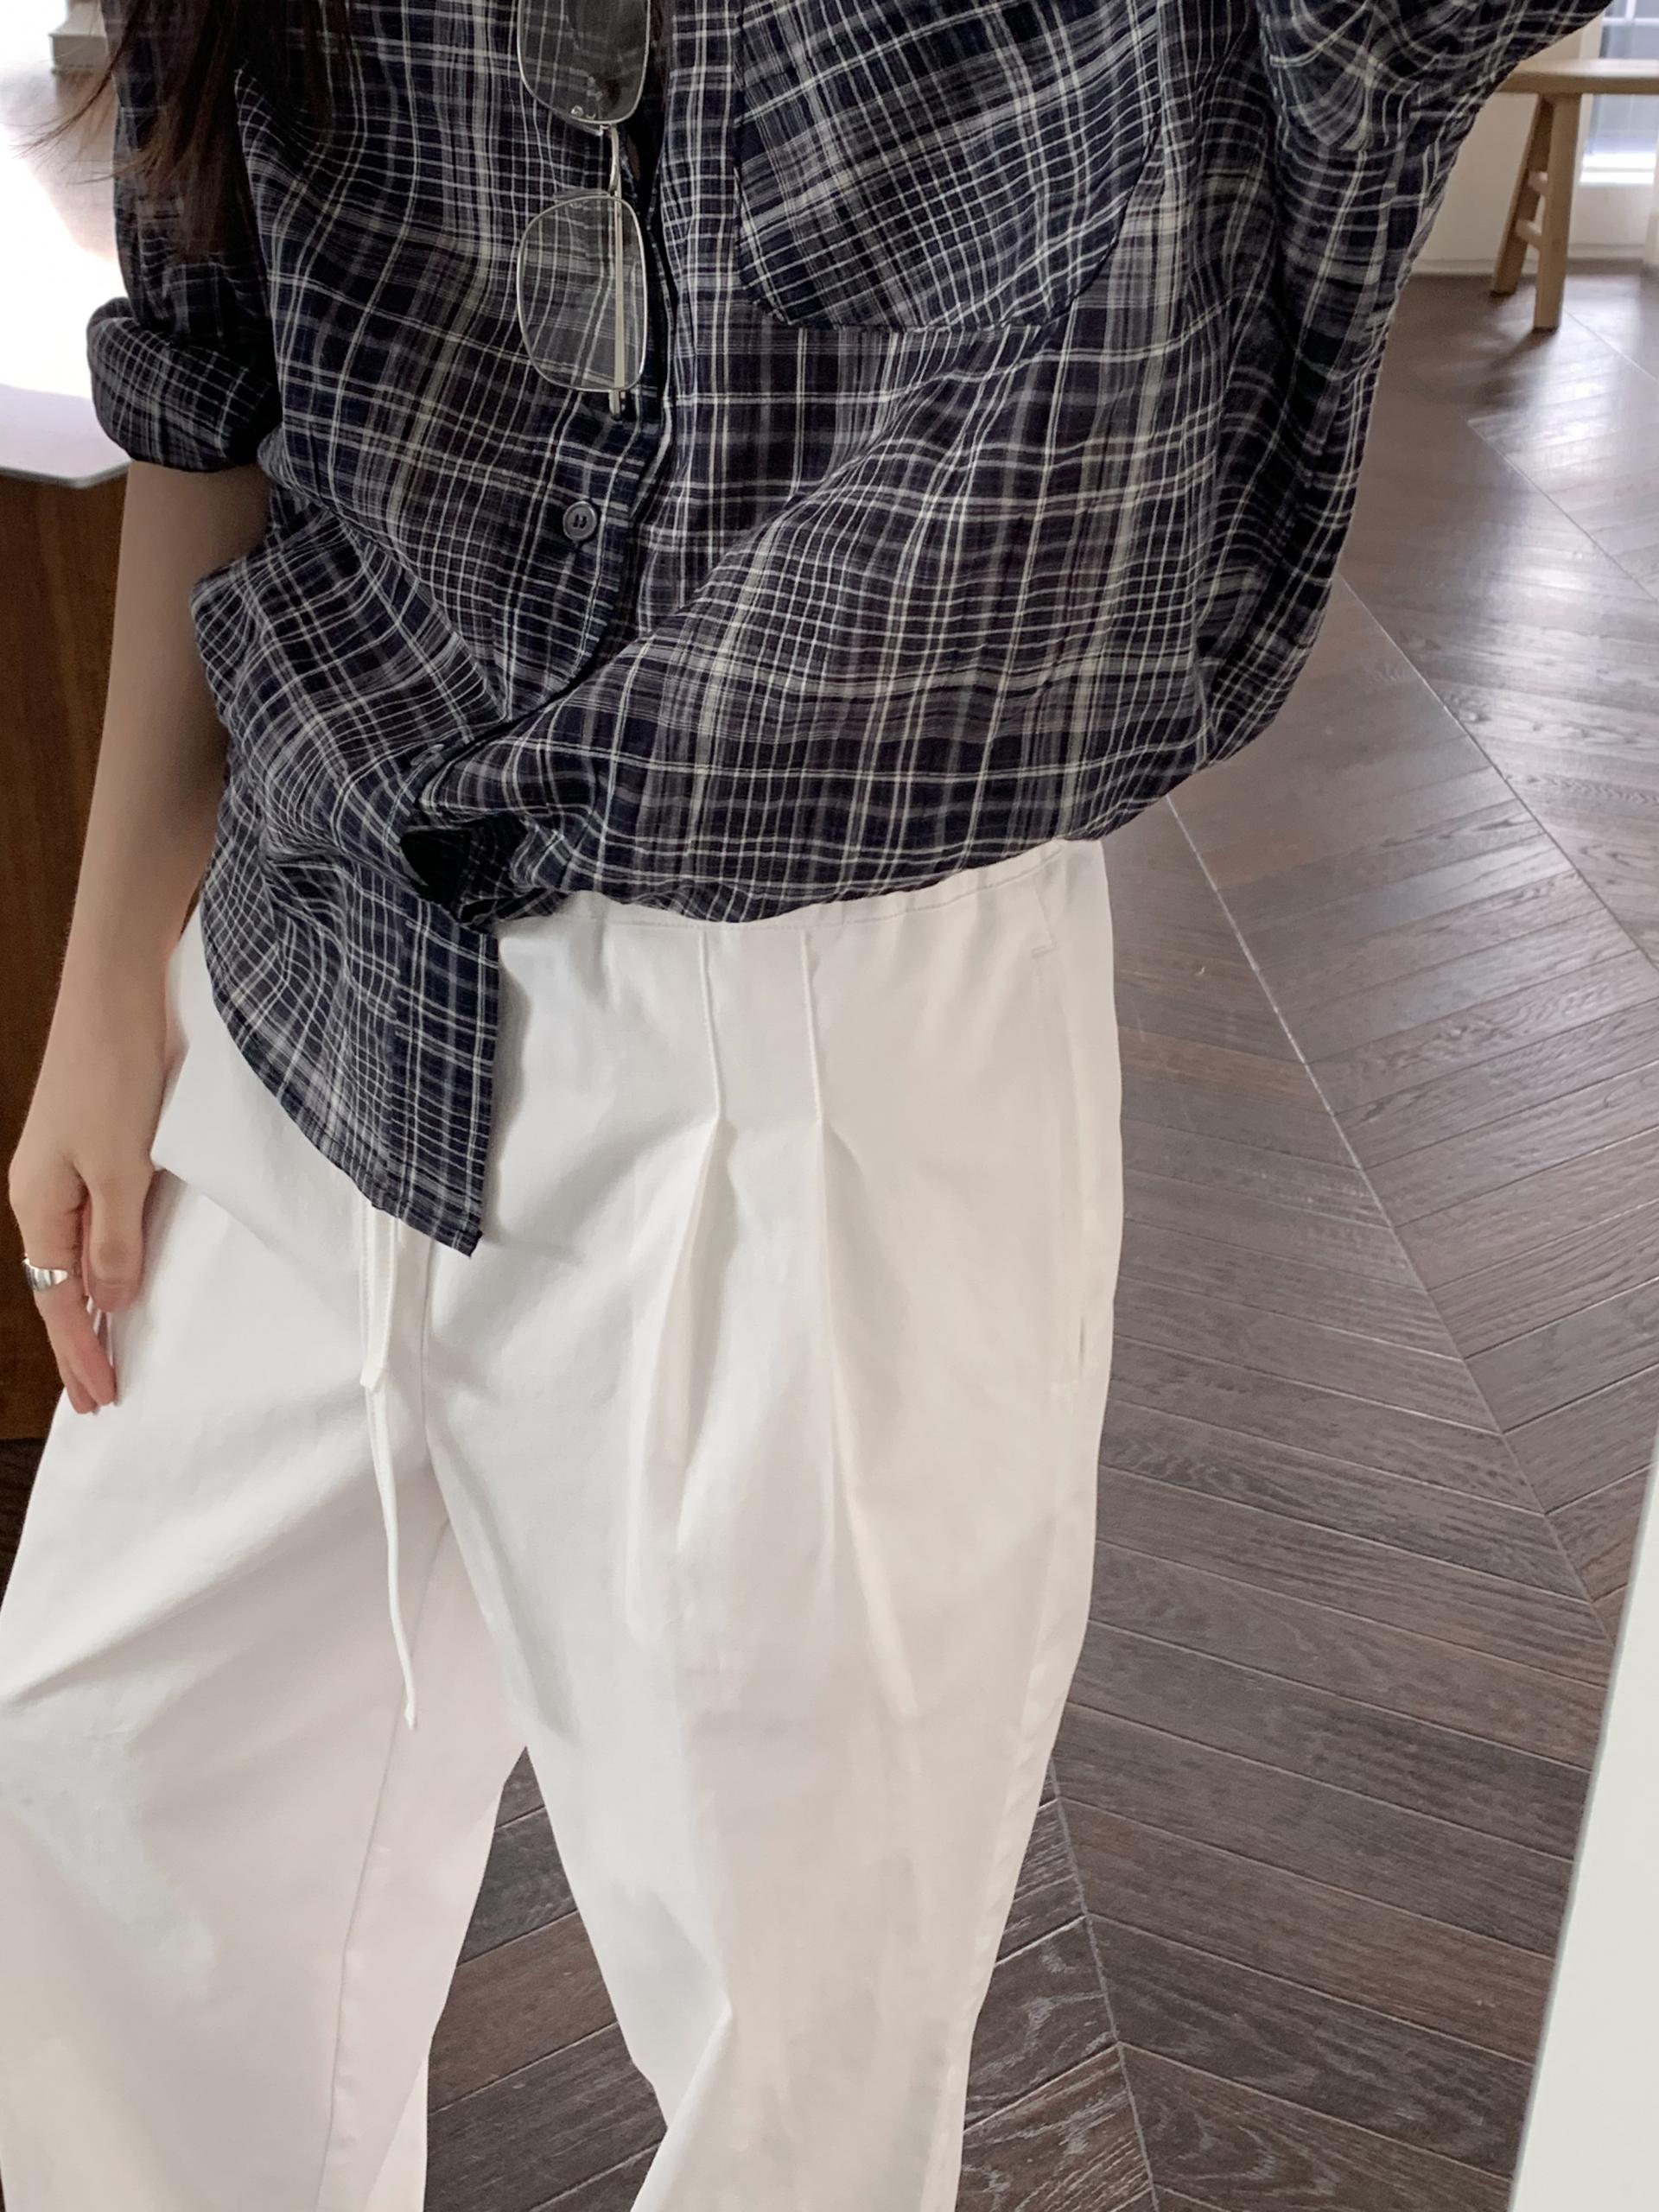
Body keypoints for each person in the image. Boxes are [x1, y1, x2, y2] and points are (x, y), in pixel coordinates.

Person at [0, 3, 1607, 2207]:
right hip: (304, 949)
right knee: (108, 1822)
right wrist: (106, 980)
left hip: (817, 1035)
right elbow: (215, 351)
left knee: (794, 2053)